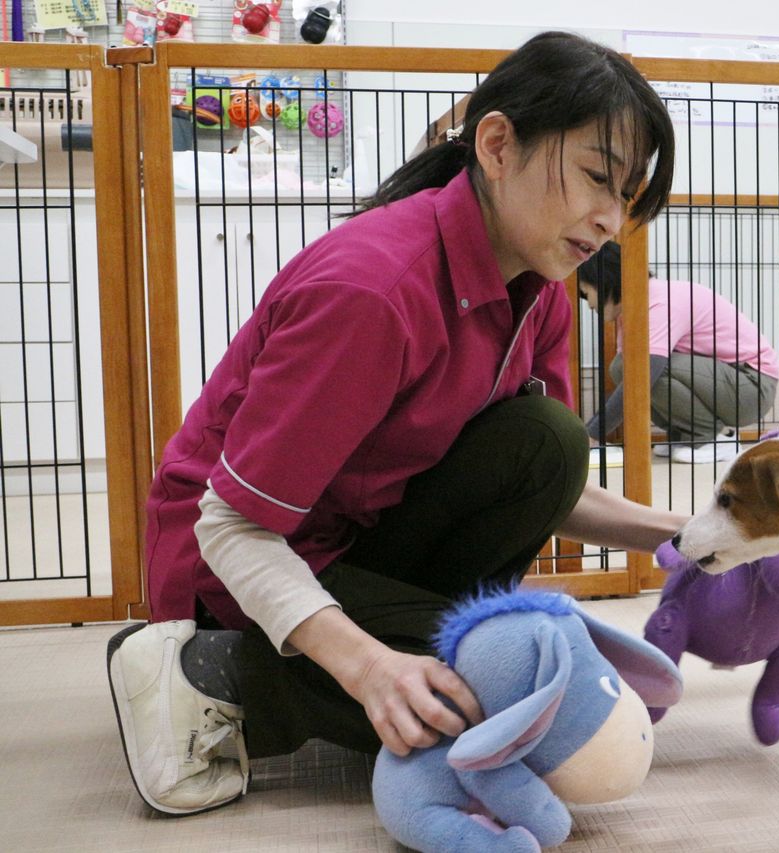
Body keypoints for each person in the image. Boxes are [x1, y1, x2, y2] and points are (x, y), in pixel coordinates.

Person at [106, 31, 688, 816]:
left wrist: (689, 536)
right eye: (596, 178)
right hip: (233, 570)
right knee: (524, 704)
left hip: (356, 542)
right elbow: (232, 527)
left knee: (549, 444)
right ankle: (208, 671)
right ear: (497, 145)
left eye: (628, 196)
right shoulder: (373, 291)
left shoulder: (540, 288)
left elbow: (551, 482)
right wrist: (372, 667)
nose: (611, 219)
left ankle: (411, 652)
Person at [577, 241, 779, 463]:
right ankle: (685, 436)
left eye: (586, 294)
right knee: (622, 366)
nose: (588, 305)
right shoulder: (632, 310)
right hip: (730, 382)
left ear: (603, 282)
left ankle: (714, 438)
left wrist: (592, 434)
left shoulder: (659, 302)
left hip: (752, 387)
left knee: (644, 368)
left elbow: (642, 374)